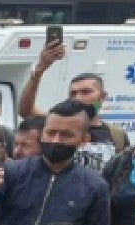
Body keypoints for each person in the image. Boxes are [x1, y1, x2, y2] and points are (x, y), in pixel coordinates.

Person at [18, 41, 128, 170]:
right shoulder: (57, 125)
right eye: (73, 93)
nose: (78, 98)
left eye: (86, 92)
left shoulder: (116, 134)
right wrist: (39, 70)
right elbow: (25, 111)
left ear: (103, 96)